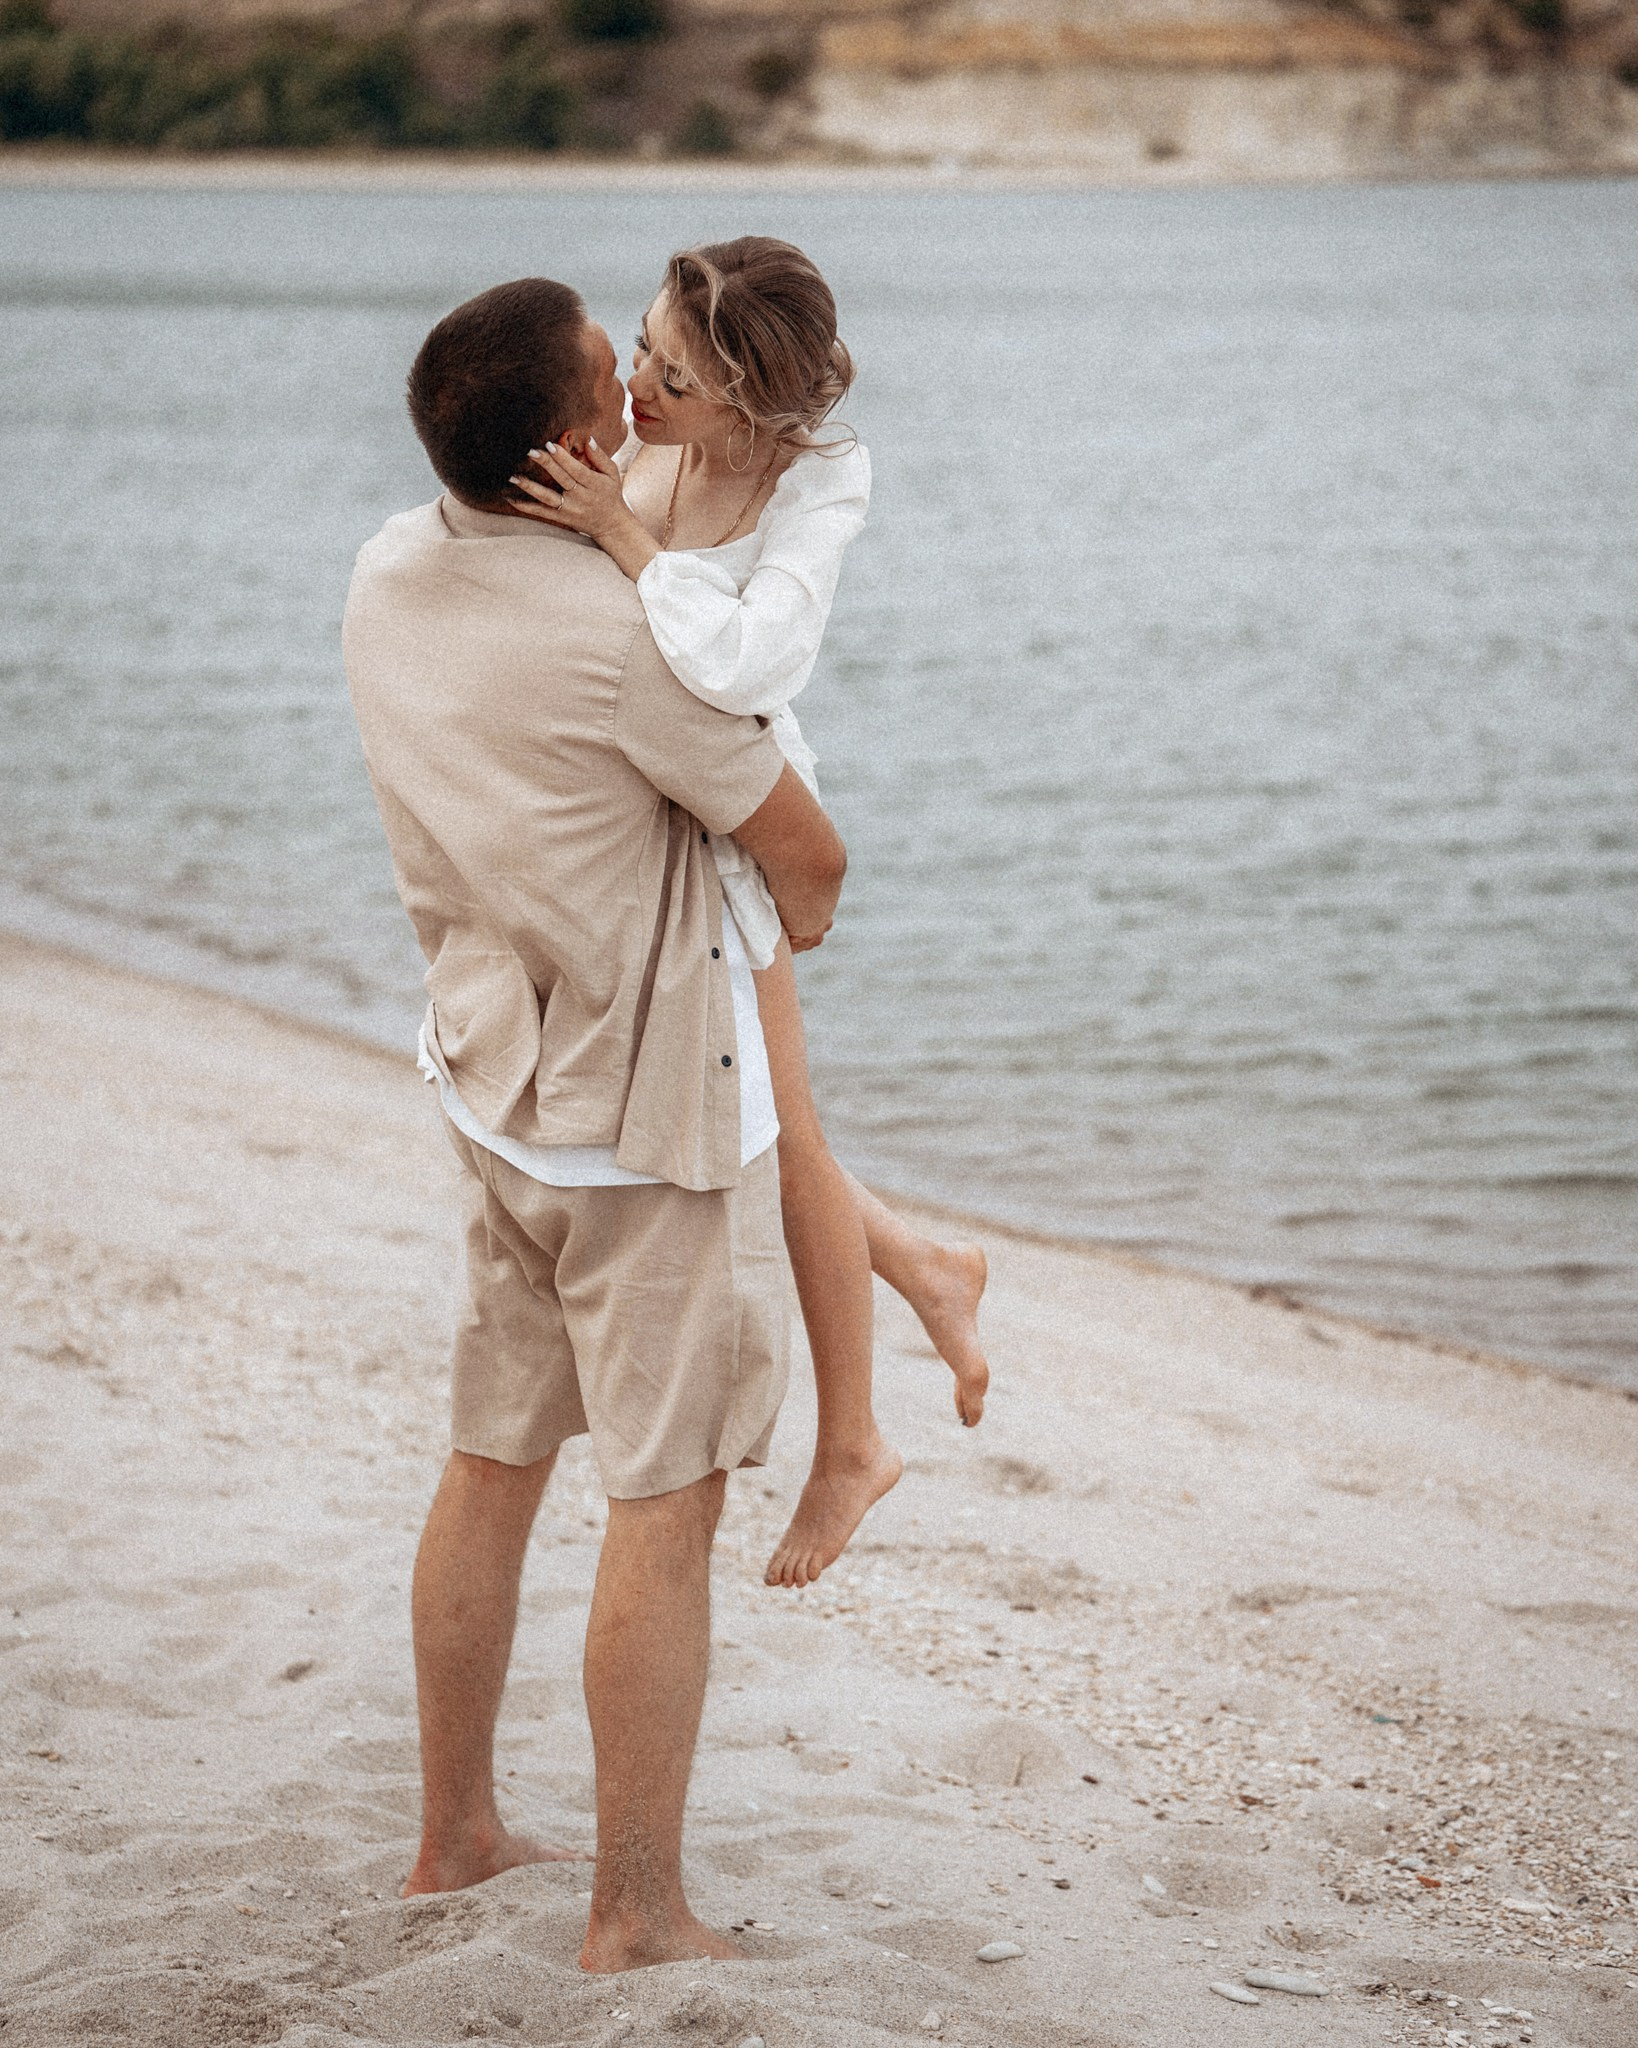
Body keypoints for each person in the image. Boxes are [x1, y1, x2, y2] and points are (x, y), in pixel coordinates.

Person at [343, 276, 847, 1967]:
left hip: (490, 1085)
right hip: (641, 1131)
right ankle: (634, 1909)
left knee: (492, 1460)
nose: (638, 403)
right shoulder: (626, 641)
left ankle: (454, 1836)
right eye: (611, 390)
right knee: (665, 1499)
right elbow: (810, 865)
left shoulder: (387, 568)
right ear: (568, 449)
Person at [505, 237, 990, 1592]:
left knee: (786, 1135)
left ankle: (855, 1439)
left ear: (757, 404)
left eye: (677, 380)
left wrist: (621, 538)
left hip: (733, 821)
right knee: (777, 1128)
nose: (641, 388)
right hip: (633, 809)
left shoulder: (818, 481)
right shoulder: (628, 435)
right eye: (644, 349)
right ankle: (926, 1275)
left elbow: (748, 663)